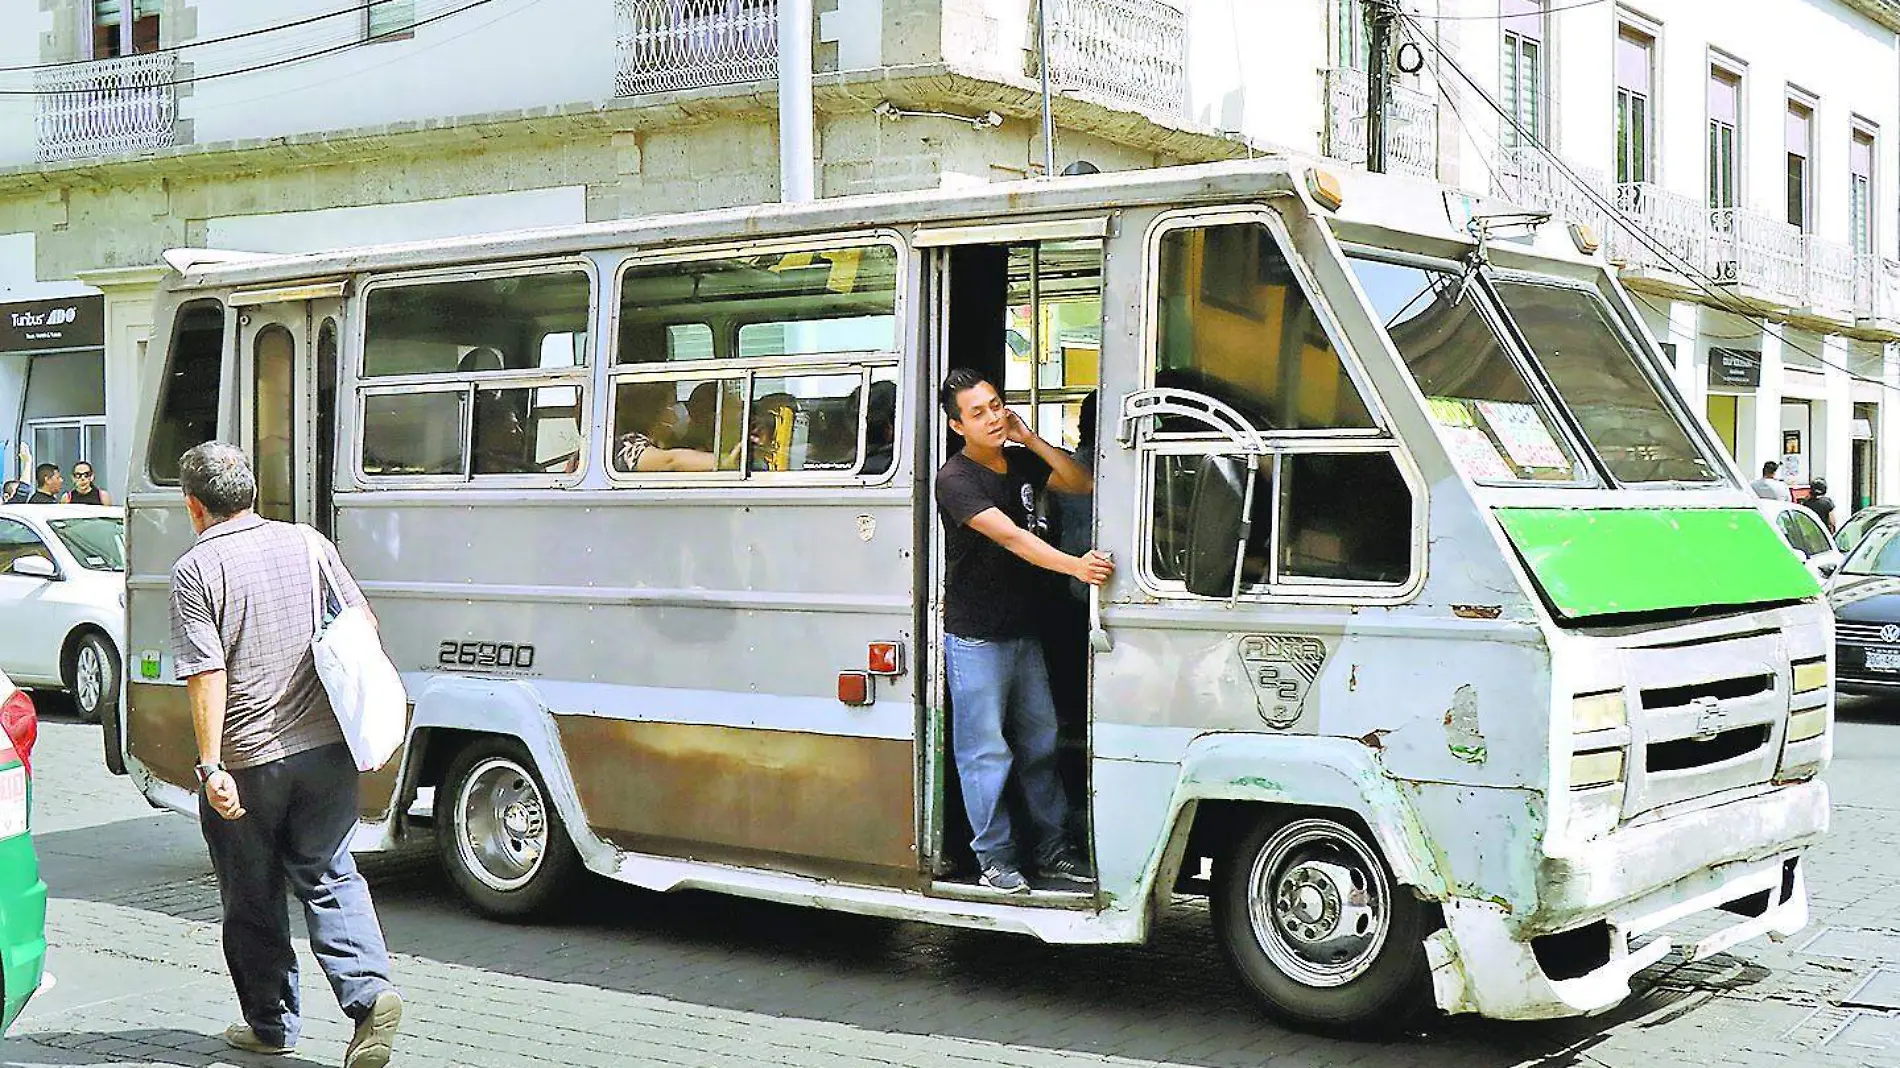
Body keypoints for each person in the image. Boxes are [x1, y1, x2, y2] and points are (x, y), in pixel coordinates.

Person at [167, 442, 403, 1066]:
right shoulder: (309, 543)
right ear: (250, 490)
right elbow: (362, 625)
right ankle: (370, 995)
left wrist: (212, 765)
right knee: (329, 874)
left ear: (194, 506)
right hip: (325, 750)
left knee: (250, 895)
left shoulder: (197, 569)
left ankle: (271, 1025)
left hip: (249, 763)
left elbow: (206, 671)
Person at [935, 368, 1113, 894]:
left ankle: (1053, 850)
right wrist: (1076, 566)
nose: (990, 418)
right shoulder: (957, 480)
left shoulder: (1019, 462)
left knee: (1040, 744)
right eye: (977, 412)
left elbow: (1081, 483)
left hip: (1022, 631)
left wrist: (1029, 436)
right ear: (955, 425)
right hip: (977, 637)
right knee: (985, 754)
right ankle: (994, 859)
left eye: (995, 405)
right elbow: (1013, 538)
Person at [614, 382, 734, 473]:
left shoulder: (662, 442)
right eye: (671, 406)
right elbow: (671, 461)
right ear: (653, 414)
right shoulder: (629, 445)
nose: (676, 415)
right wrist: (726, 461)